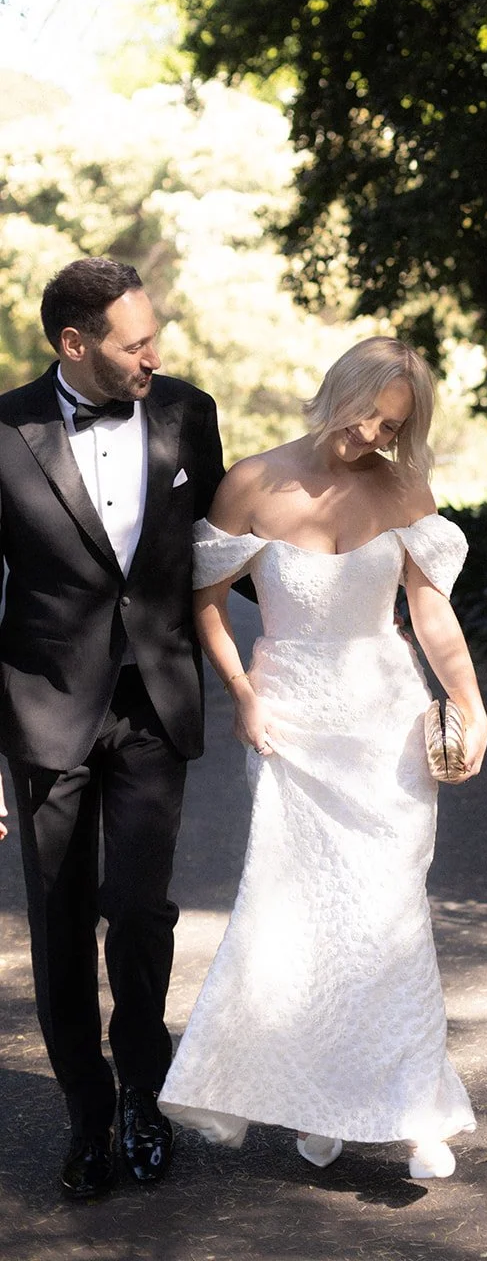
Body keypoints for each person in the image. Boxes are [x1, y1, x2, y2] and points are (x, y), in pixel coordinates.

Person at [159, 337, 487, 1182]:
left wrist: (469, 703)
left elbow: (431, 613)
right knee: (299, 919)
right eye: (366, 414)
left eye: (392, 426)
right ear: (332, 391)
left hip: (386, 723)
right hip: (290, 724)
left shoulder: (402, 485)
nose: (372, 436)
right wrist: (243, 692)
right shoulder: (251, 485)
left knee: (388, 913)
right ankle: (316, 1098)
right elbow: (202, 606)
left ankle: (417, 1112)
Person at [0, 257, 229, 1199]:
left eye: (154, 336)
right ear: (74, 343)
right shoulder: (5, 430)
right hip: (43, 709)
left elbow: (225, 548)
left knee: (138, 909)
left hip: (152, 705)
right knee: (57, 925)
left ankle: (144, 1092)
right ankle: (87, 1117)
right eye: (135, 344)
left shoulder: (188, 413)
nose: (153, 355)